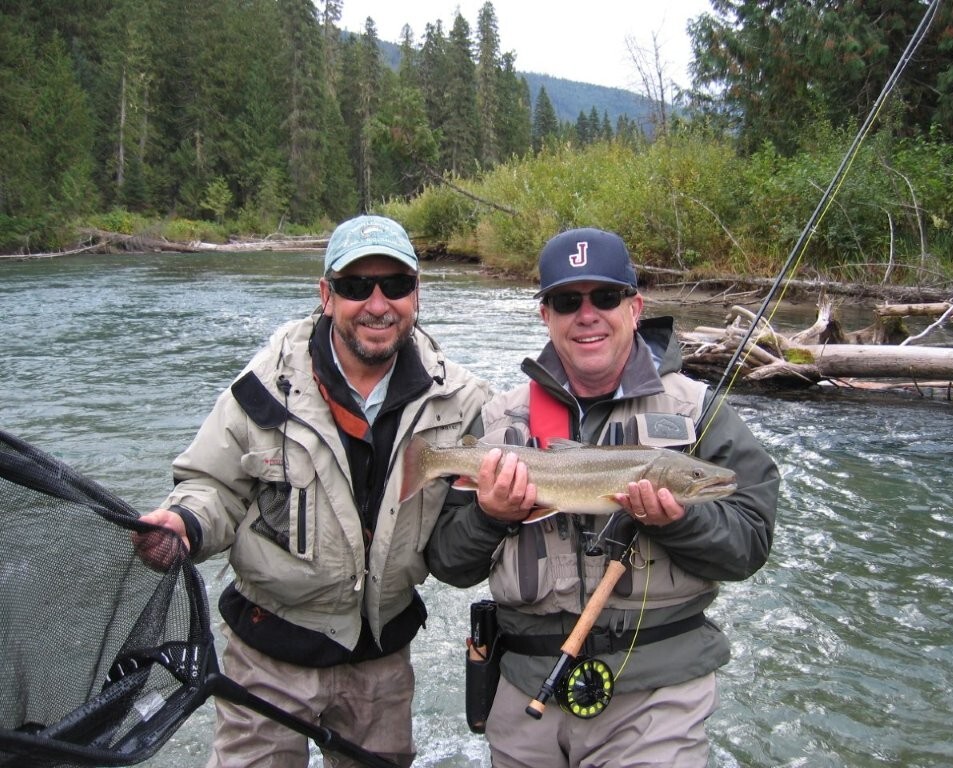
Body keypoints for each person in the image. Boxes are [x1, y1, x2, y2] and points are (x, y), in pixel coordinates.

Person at [139, 214, 490, 768]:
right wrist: (184, 523)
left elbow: (458, 539)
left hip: (381, 656)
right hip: (267, 653)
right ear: (326, 296)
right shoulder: (266, 386)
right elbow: (213, 486)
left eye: (395, 285)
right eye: (356, 286)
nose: (378, 303)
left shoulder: (464, 401)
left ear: (416, 295)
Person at [427, 227, 780, 767]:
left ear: (635, 307)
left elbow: (750, 545)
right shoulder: (499, 420)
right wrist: (488, 516)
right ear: (545, 315)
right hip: (523, 697)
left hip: (657, 701)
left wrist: (679, 522)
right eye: (568, 301)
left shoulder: (698, 412)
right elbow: (448, 564)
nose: (586, 314)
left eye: (605, 297)